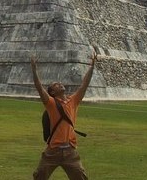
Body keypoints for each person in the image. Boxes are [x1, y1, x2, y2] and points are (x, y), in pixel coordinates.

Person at [30, 49, 97, 180]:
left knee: (81, 177)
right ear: (52, 93)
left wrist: (92, 66)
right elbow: (39, 87)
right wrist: (34, 70)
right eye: (56, 85)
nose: (60, 84)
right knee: (40, 176)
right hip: (53, 151)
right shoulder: (51, 103)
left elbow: (84, 85)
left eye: (59, 83)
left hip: (70, 151)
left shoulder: (73, 101)